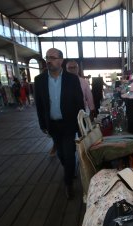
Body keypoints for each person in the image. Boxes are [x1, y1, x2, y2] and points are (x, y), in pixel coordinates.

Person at [34, 48, 84, 199]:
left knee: (69, 153)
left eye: (52, 58)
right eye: (47, 58)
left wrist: (81, 125)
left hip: (69, 124)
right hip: (53, 124)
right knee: (61, 154)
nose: (49, 61)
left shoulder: (72, 79)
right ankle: (69, 170)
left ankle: (68, 183)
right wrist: (42, 124)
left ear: (61, 60)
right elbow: (39, 104)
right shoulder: (39, 80)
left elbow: (79, 102)